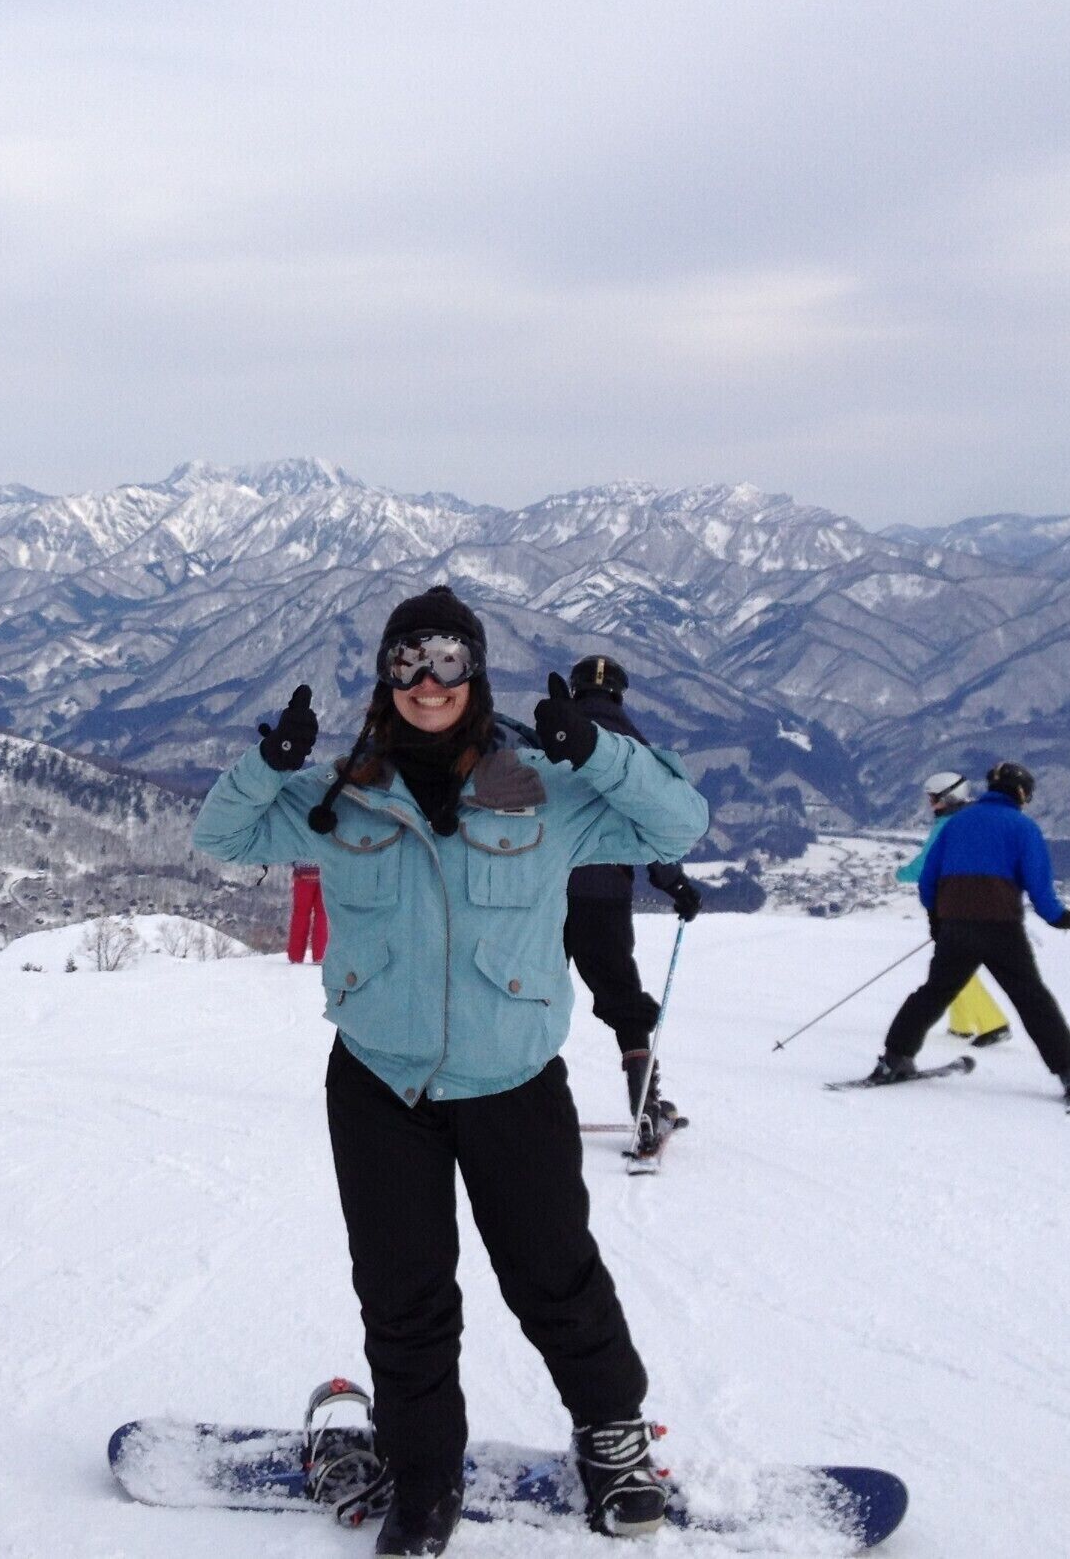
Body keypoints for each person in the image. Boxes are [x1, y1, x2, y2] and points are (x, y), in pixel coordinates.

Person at [195, 586, 710, 1554]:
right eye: (408, 662)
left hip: (511, 1079)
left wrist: (597, 749)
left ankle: (613, 1442)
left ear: (475, 673)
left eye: (448, 661)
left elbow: (676, 825)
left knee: (555, 1278)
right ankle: (424, 1477)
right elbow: (219, 840)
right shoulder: (338, 796)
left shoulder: (548, 788)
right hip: (379, 1082)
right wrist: (263, 769)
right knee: (402, 1290)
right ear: (386, 676)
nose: (428, 681)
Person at [872, 761, 1070, 1106]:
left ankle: (895, 1059)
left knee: (934, 993)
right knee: (1032, 999)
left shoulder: (955, 824)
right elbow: (1039, 886)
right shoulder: (1023, 827)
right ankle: (1069, 1073)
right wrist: (1058, 917)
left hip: (956, 927)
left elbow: (929, 878)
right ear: (1020, 793)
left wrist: (938, 918)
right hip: (1001, 927)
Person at [561, 655, 702, 1149]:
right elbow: (653, 829)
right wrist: (676, 886)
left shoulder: (553, 739)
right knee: (623, 1001)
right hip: (603, 897)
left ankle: (505, 1106)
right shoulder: (633, 750)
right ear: (621, 694)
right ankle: (644, 1112)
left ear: (575, 691)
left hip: (542, 894)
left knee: (524, 995)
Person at [894, 772, 1011, 1049]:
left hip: (953, 904)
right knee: (953, 963)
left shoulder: (946, 825)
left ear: (947, 797)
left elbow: (924, 867)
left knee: (952, 966)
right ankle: (962, 1024)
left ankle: (992, 1023)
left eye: (932, 798)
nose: (930, 803)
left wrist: (897, 875)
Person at [286, 861, 330, 964]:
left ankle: (295, 955)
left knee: (300, 914)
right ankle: (320, 955)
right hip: (326, 872)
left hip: (303, 872)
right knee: (322, 914)